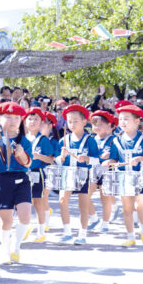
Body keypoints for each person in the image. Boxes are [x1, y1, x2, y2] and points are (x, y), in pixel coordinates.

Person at [104, 104, 143, 246]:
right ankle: (130, 236)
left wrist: (139, 159)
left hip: (140, 177)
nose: (122, 122)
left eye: (126, 119)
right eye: (120, 119)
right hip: (123, 178)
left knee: (140, 205)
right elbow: (114, 159)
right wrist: (109, 162)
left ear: (137, 121)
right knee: (127, 208)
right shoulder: (116, 141)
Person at [0, 103, 33, 264]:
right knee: (7, 220)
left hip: (21, 179)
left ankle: (16, 247)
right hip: (2, 180)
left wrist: (22, 154)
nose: (12, 120)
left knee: (25, 216)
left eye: (16, 117)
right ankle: (5, 250)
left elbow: (28, 163)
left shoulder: (24, 141)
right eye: (8, 117)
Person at [57, 105, 100, 245]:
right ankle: (67, 232)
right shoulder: (63, 140)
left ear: (84, 122)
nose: (72, 124)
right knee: (62, 200)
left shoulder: (90, 140)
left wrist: (87, 159)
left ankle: (82, 234)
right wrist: (62, 158)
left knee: (84, 204)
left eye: (76, 121)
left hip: (83, 173)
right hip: (67, 172)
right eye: (69, 121)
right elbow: (57, 161)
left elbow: (97, 160)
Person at [24, 108, 54, 242]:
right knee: (24, 202)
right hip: (24, 173)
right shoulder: (22, 139)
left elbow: (50, 159)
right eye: (30, 119)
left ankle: (41, 230)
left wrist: (39, 156)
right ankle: (25, 227)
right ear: (24, 121)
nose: (32, 122)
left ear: (41, 122)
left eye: (36, 119)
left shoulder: (43, 139)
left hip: (38, 173)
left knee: (38, 202)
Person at [87, 110, 117, 233]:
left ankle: (105, 223)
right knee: (84, 195)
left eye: (100, 124)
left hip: (107, 172)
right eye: (94, 124)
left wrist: (110, 157)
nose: (97, 127)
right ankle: (94, 218)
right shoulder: (90, 139)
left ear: (109, 125)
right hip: (93, 171)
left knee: (105, 198)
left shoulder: (114, 139)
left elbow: (118, 156)